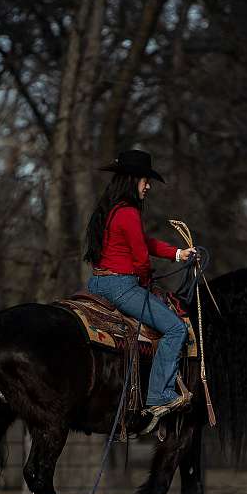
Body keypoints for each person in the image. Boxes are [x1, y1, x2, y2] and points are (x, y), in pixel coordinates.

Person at [84, 149, 197, 432]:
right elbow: (141, 259)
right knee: (175, 329)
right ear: (133, 179)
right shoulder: (130, 212)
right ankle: (159, 395)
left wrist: (178, 254)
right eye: (146, 180)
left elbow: (142, 241)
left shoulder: (111, 210)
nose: (148, 186)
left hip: (98, 283)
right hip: (121, 287)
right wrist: (146, 278)